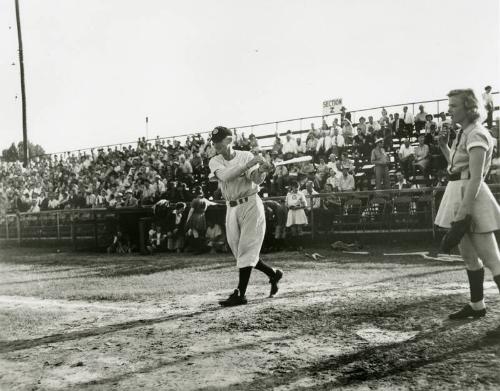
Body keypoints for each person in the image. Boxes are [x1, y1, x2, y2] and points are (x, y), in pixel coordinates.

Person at [435, 89, 500, 321]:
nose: (449, 109)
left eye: (454, 105)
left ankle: (478, 305)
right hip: (458, 192)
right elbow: (458, 167)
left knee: (494, 260)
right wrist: (444, 146)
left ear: (469, 108)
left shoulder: (477, 133)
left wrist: (462, 215)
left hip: (471, 197)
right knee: (470, 258)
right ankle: (476, 305)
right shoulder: (465, 132)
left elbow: (475, 177)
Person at [208, 126, 283, 307]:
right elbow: (225, 176)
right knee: (240, 252)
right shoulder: (215, 160)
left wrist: (263, 170)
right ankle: (273, 274)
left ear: (229, 140)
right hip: (231, 207)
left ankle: (240, 294)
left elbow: (256, 179)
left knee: (246, 249)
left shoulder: (246, 155)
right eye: (214, 142)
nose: (216, 145)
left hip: (250, 204)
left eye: (220, 141)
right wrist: (249, 166)